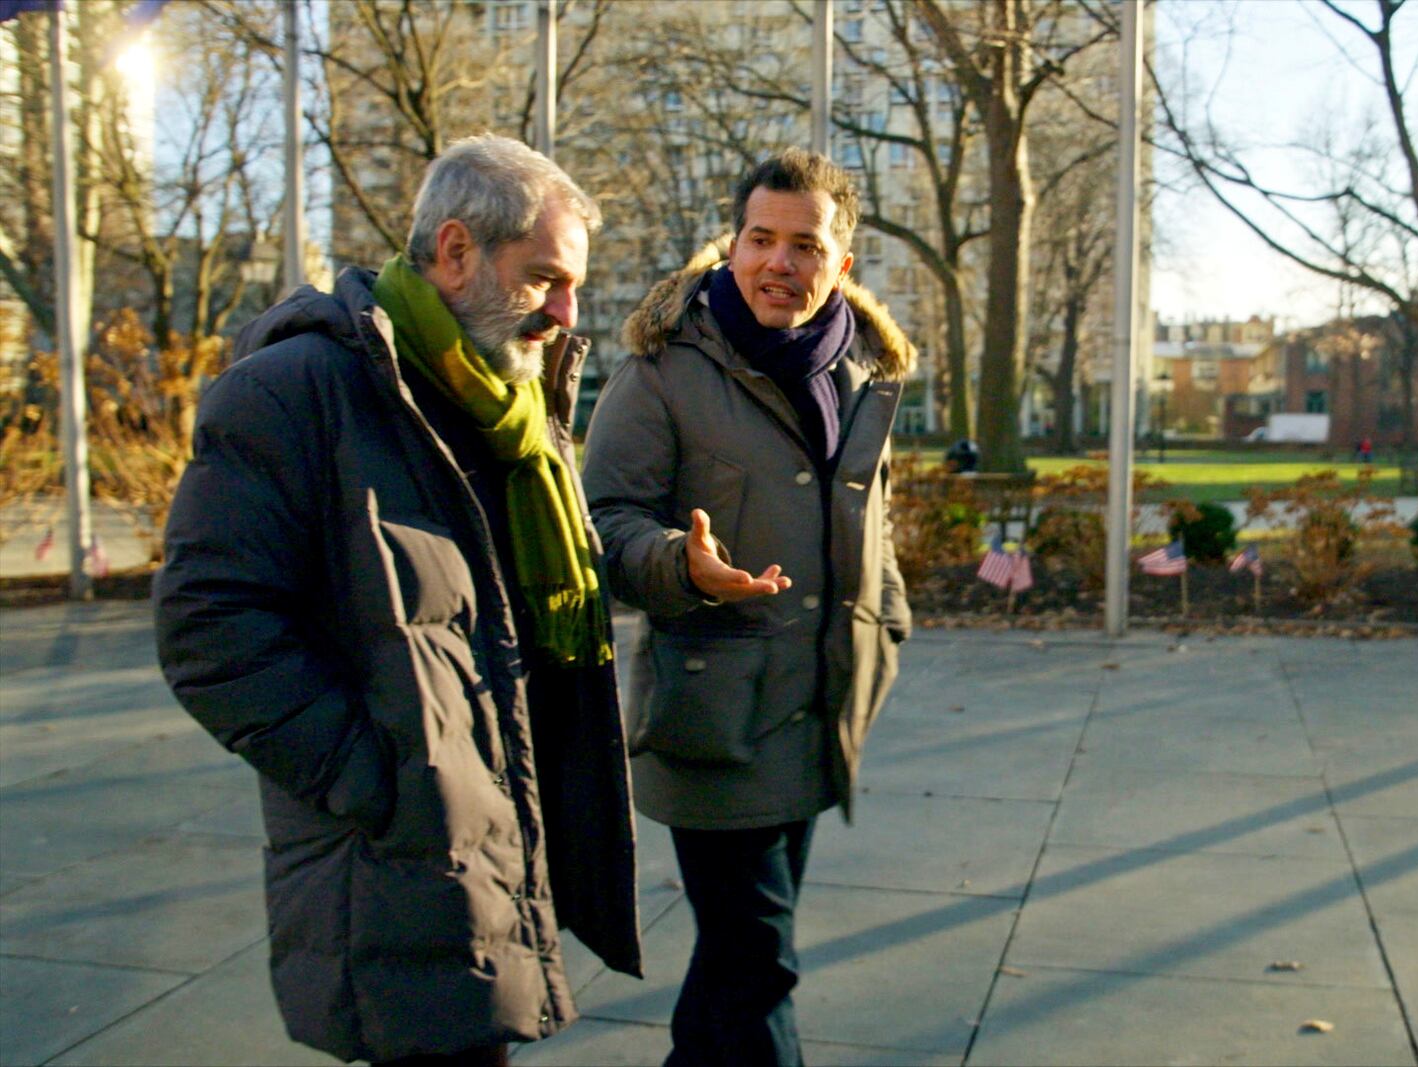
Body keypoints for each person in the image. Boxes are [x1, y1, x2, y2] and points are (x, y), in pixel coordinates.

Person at [153, 135, 639, 1066]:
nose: (568, 313)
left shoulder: (509, 406)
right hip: (393, 855)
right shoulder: (295, 391)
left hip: (491, 839)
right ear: (455, 251)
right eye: (545, 279)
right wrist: (376, 779)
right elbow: (208, 627)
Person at [581, 148, 913, 1066]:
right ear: (731, 246)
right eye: (761, 238)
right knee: (760, 962)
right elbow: (601, 524)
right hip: (713, 717)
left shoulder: (864, 376)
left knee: (735, 965)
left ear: (840, 263)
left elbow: (869, 526)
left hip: (819, 712)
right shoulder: (662, 370)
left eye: (805, 245)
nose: (780, 262)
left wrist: (888, 616)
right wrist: (679, 565)